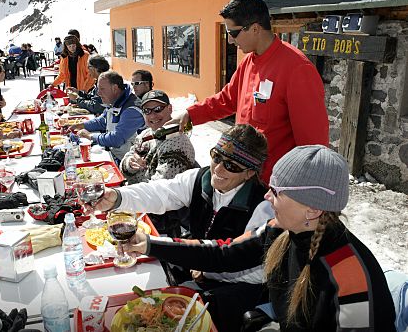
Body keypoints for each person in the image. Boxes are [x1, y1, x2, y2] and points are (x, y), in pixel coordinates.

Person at [126, 145, 397, 331]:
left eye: (277, 191)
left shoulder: (350, 274)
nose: (267, 196)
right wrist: (150, 244)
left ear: (312, 208)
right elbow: (224, 253)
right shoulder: (282, 230)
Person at [170, 0, 329, 184]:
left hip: (274, 185)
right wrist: (190, 114)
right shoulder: (248, 62)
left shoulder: (296, 69)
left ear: (255, 28)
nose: (229, 40)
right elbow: (227, 100)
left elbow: (313, 144)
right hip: (243, 177)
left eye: (233, 33)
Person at [96, 123, 267, 240]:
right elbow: (159, 192)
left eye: (231, 166)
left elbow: (251, 267)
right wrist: (117, 197)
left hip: (231, 285)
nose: (218, 169)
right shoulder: (199, 178)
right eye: (216, 157)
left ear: (249, 173)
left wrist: (206, 270)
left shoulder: (261, 207)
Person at [120, 89, 195, 185]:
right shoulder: (145, 134)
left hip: (149, 197)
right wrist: (130, 163)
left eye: (158, 109)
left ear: (170, 108)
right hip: (136, 190)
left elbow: (160, 189)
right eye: (147, 111)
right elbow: (124, 165)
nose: (152, 116)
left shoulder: (177, 143)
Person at [68, 71, 145, 163]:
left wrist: (89, 136)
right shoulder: (115, 100)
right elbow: (102, 121)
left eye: (102, 89)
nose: (99, 93)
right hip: (115, 155)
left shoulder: (132, 109)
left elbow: (117, 139)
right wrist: (79, 125)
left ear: (115, 88)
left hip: (130, 164)